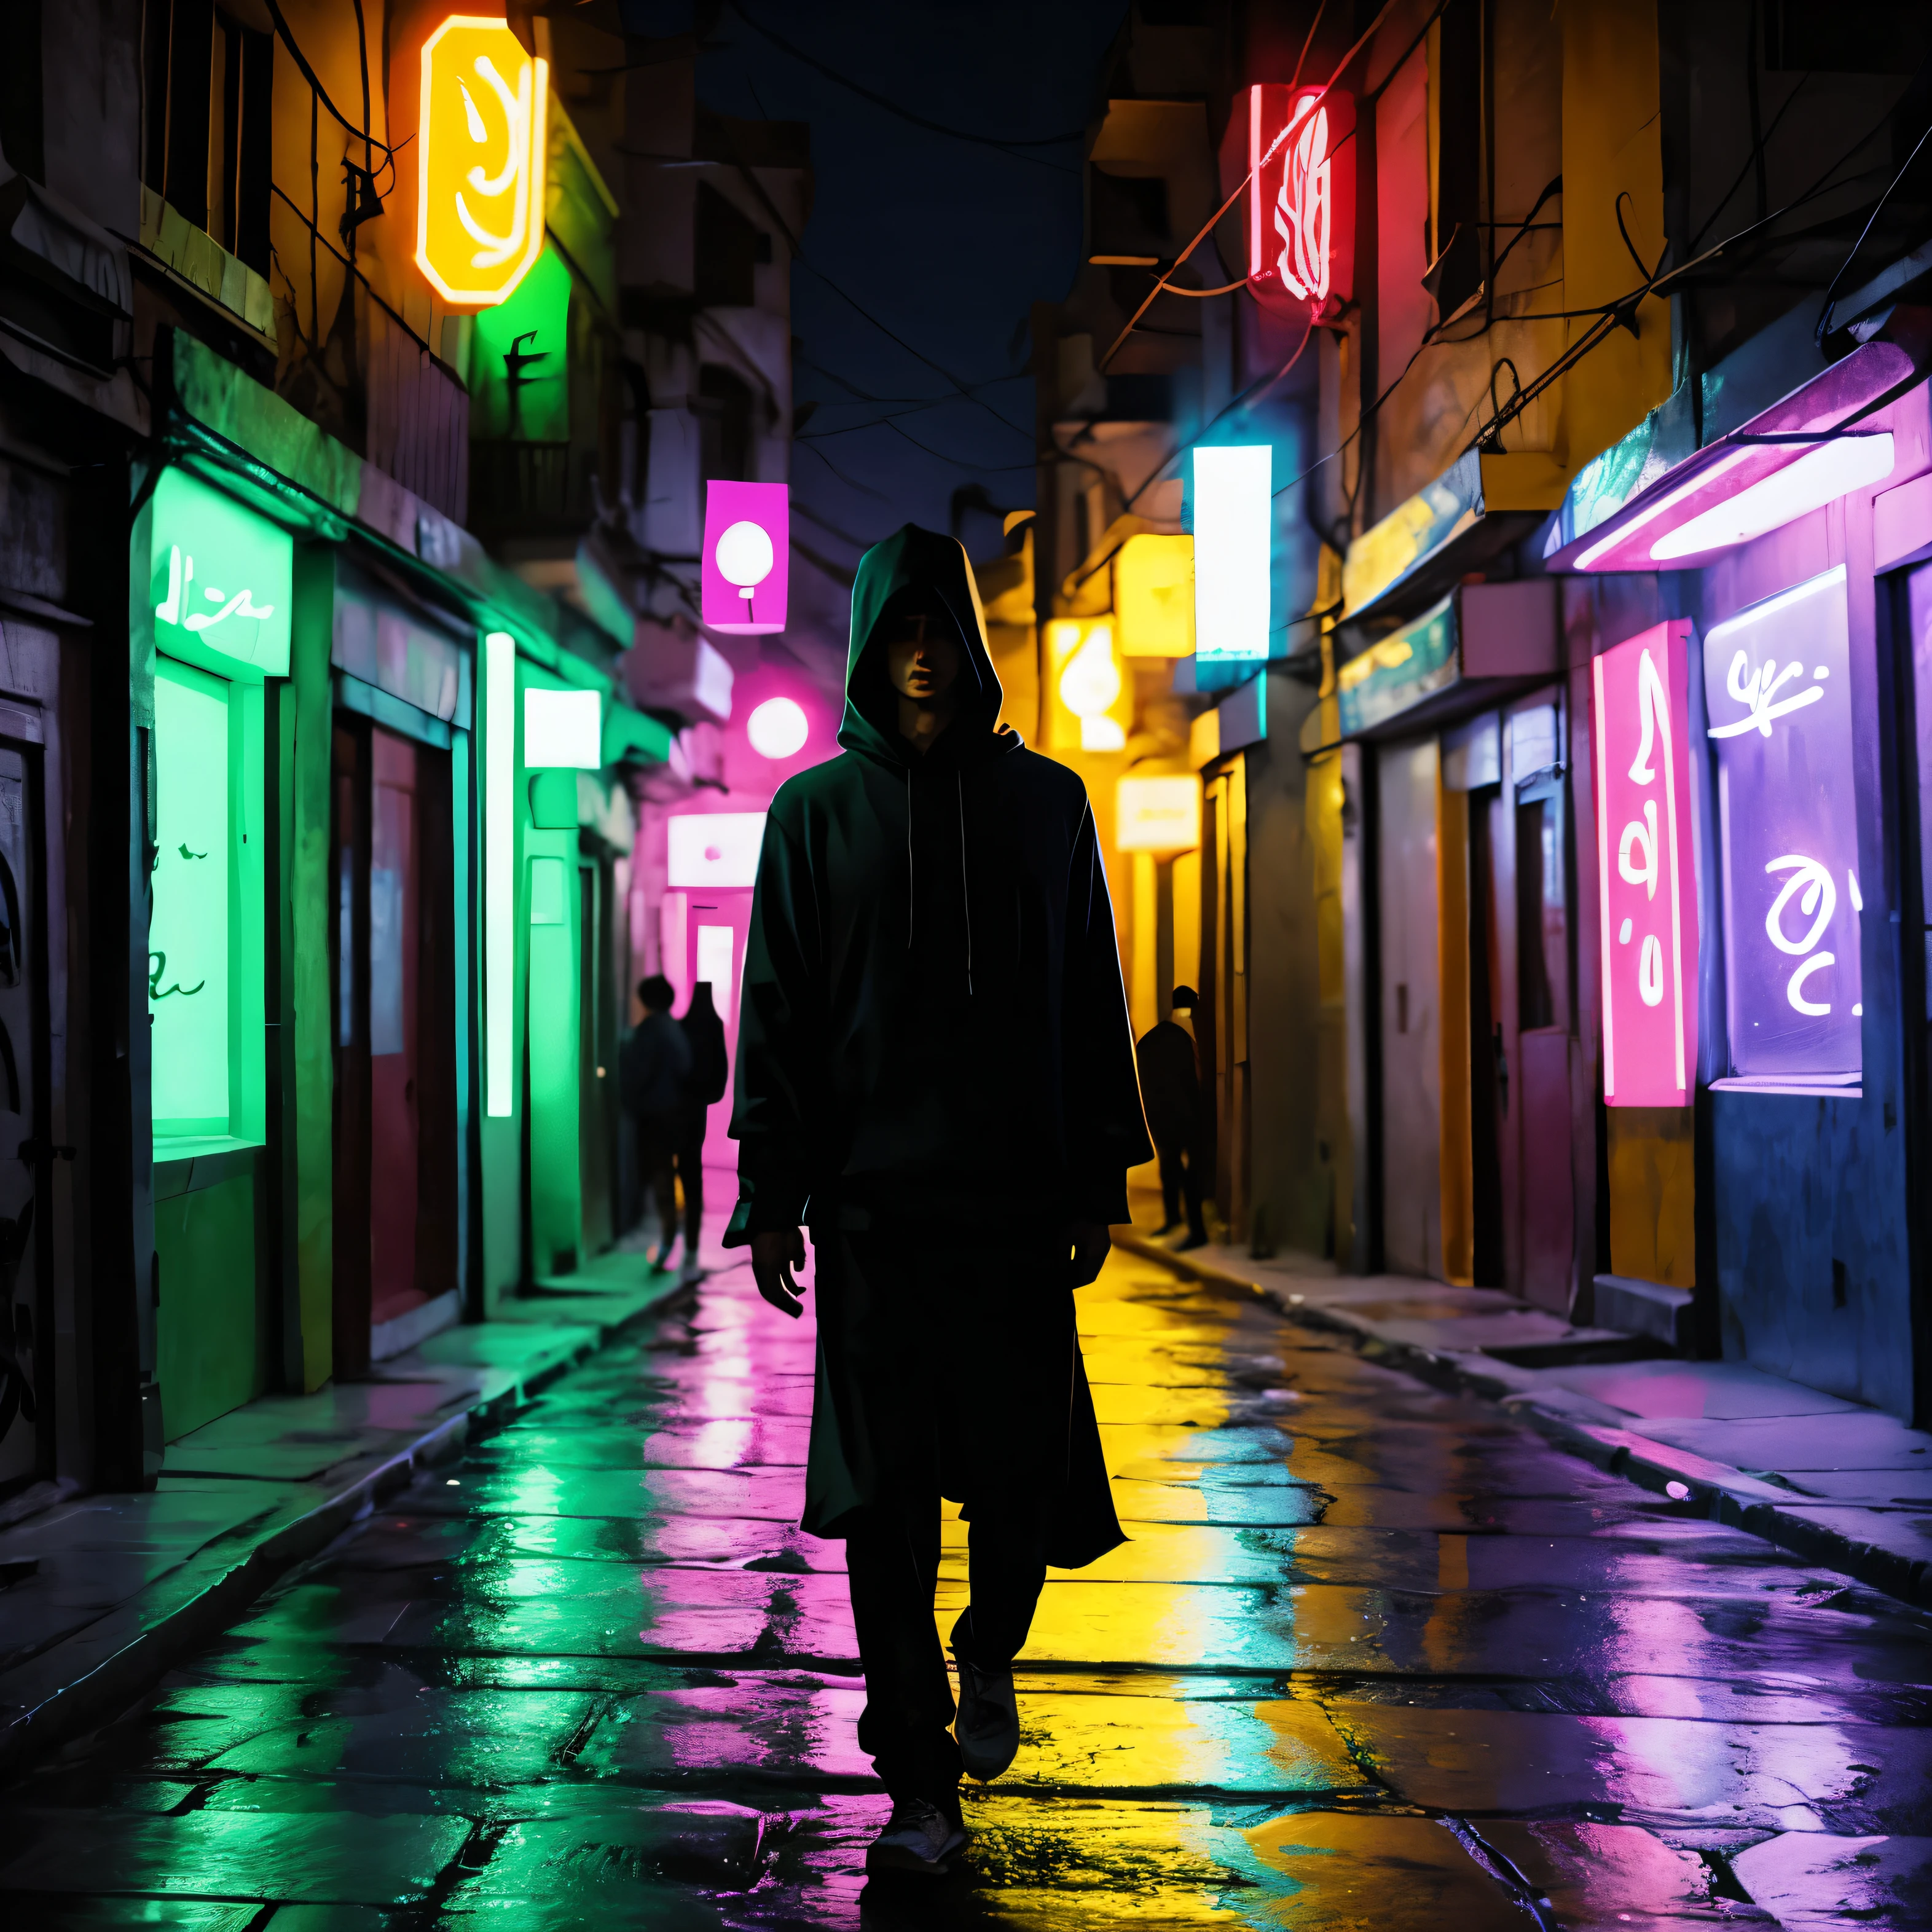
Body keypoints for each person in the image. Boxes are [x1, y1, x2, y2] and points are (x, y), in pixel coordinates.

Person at [725, 524, 1150, 1878]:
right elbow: (776, 1011)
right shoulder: (811, 816)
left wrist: (1099, 1170)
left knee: (1016, 1483)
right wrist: (770, 1187)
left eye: (940, 625)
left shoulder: (1049, 806)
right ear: (868, 643)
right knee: (888, 1508)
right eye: (897, 626)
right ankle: (915, 1770)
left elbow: (1092, 992)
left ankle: (987, 1650)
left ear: (970, 639)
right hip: (871, 1221)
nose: (922, 650)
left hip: (1014, 1211)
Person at [619, 973, 689, 1270]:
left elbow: (638, 1073)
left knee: (657, 1174)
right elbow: (685, 1068)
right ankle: (669, 1234)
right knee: (664, 1173)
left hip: (653, 1115)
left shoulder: (649, 1032)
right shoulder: (675, 1030)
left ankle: (665, 1237)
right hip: (672, 1113)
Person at [1136, 986, 1208, 1251]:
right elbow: (1199, 1075)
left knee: (1169, 1168)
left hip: (1160, 1116)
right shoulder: (1191, 1033)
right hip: (1189, 1115)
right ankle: (1197, 1229)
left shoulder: (1149, 1040)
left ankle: (1173, 1219)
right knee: (1193, 1173)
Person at [673, 980, 729, 1281]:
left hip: (676, 1114)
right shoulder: (713, 1026)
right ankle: (690, 1246)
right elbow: (720, 1071)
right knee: (693, 1178)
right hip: (697, 1117)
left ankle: (675, 1239)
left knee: (678, 1172)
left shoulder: (683, 1027)